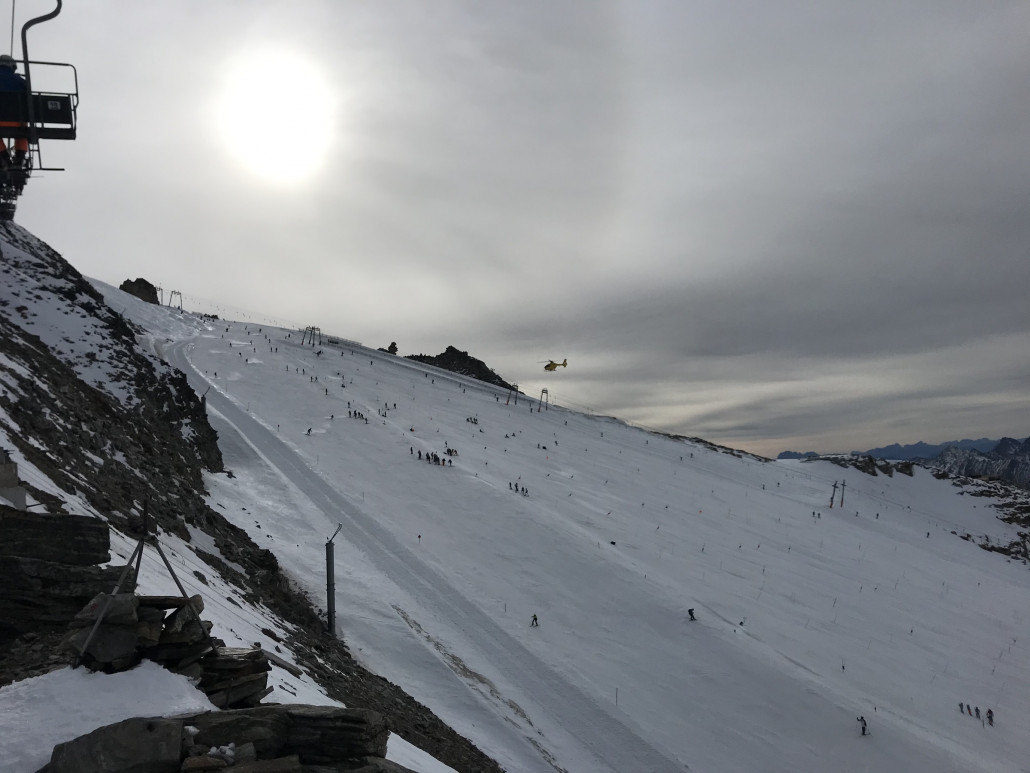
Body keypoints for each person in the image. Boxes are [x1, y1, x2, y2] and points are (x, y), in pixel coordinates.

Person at [0, 54, 29, 183]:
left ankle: (4, 159)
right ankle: (19, 159)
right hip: (17, 121)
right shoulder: (20, 81)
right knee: (22, 132)